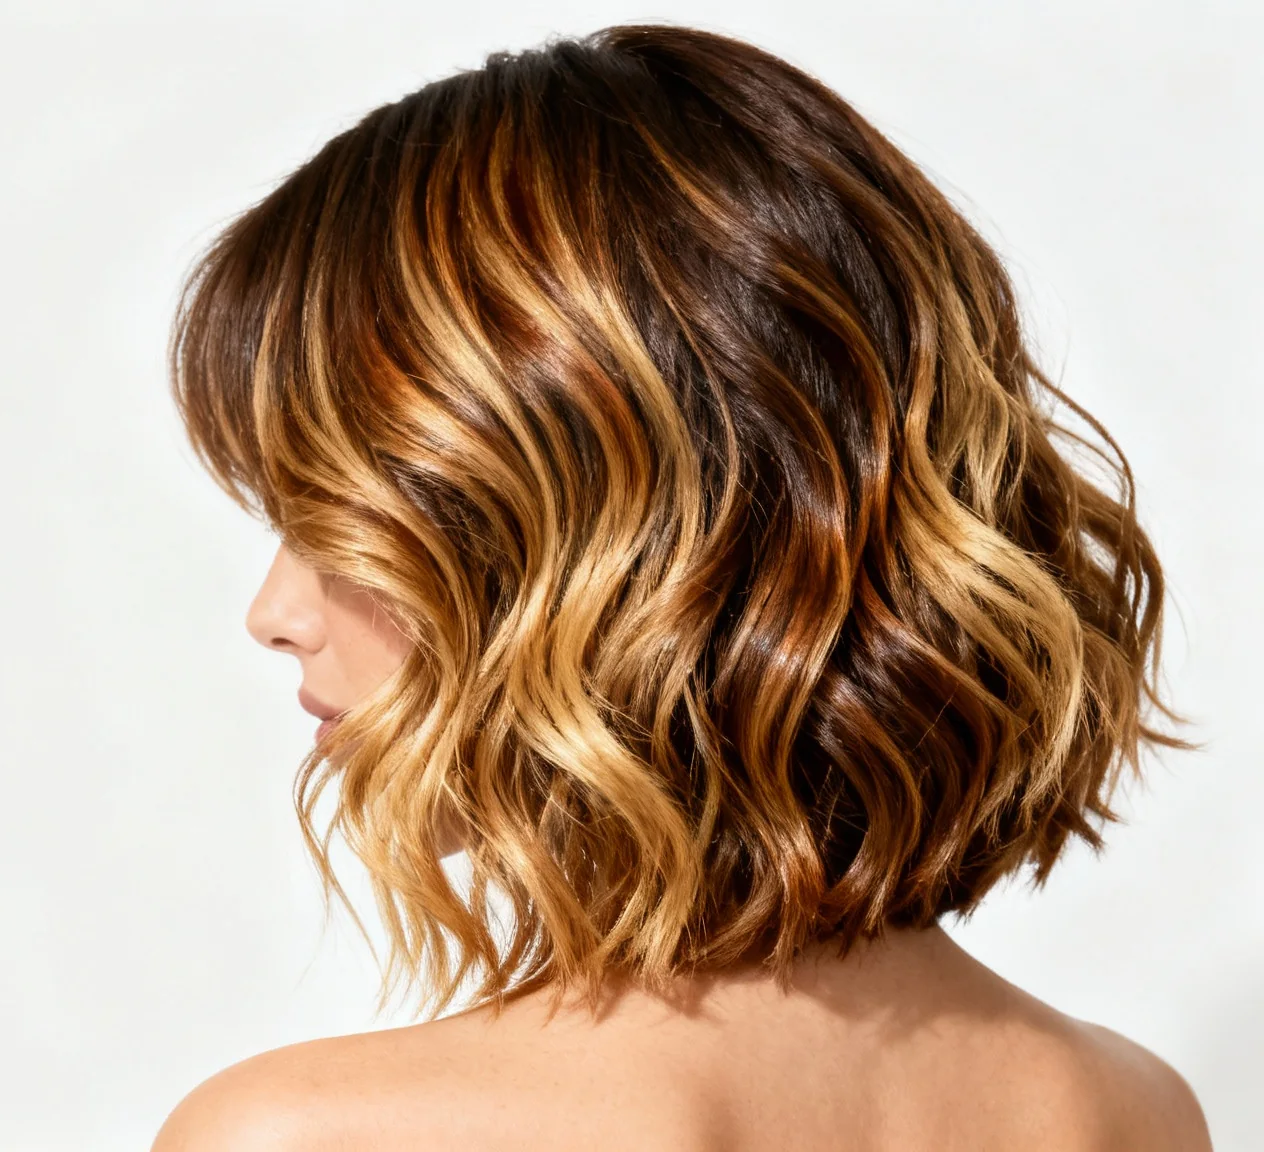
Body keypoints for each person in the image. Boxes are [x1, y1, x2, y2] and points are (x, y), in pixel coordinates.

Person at [151, 23, 1213, 1152]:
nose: (274, 616)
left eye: (335, 526)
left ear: (588, 548)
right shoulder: (1127, 1110)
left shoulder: (305, 1136)